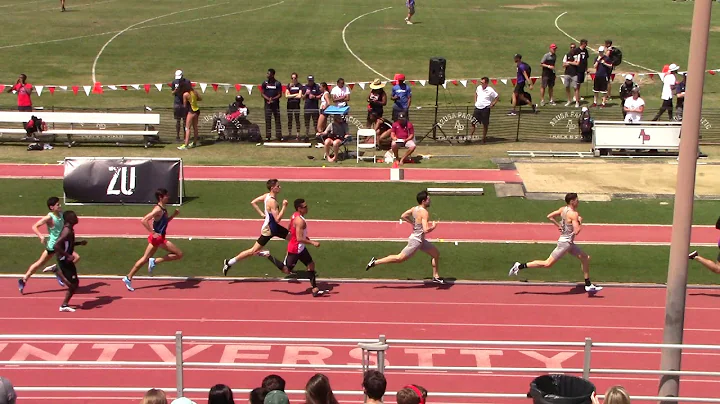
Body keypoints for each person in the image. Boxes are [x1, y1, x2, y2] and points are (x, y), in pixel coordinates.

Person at [508, 193, 602, 294]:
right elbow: (577, 231)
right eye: (576, 200)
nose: (578, 202)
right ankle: (519, 266)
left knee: (585, 258)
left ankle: (588, 284)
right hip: (565, 244)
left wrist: (558, 225)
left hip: (568, 242)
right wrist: (579, 221)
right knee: (547, 264)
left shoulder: (563, 209)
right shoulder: (574, 214)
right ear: (572, 201)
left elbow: (550, 216)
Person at [366, 190, 443, 284]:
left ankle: (436, 276)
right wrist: (433, 227)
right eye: (428, 199)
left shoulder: (414, 209)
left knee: (436, 254)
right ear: (423, 201)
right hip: (416, 241)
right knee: (399, 258)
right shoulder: (424, 213)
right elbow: (426, 229)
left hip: (421, 240)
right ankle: (375, 262)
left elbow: (403, 215)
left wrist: (412, 222)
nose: (430, 201)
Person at [222, 179, 290, 275]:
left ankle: (286, 264)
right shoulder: (272, 202)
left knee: (294, 239)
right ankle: (229, 262)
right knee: (253, 251)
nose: (280, 187)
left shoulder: (267, 196)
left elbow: (253, 202)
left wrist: (262, 214)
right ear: (272, 188)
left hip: (275, 227)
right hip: (269, 230)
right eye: (278, 186)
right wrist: (284, 206)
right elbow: (277, 219)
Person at [263, 199, 326, 297]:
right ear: (299, 209)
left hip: (301, 248)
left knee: (311, 264)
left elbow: (289, 228)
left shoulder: (294, 215)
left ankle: (314, 288)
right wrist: (312, 242)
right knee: (286, 270)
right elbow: (300, 238)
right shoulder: (300, 221)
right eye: (304, 207)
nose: (307, 208)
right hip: (295, 249)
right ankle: (268, 255)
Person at [123, 188, 183, 292]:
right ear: (161, 197)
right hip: (158, 238)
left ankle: (128, 277)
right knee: (179, 254)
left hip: (159, 238)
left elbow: (164, 222)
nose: (168, 197)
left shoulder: (163, 208)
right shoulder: (158, 210)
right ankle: (154, 261)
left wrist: (173, 215)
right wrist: (153, 232)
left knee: (144, 259)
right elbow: (144, 220)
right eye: (166, 196)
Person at [19, 196, 74, 294]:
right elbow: (35, 226)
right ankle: (24, 280)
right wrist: (41, 236)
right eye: (58, 204)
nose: (60, 205)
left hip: (61, 245)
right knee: (40, 263)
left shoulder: (61, 214)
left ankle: (57, 272)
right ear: (51, 207)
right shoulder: (49, 217)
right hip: (54, 246)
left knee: (73, 258)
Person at [46, 211, 87, 312]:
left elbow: (68, 243)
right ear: (69, 219)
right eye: (74, 217)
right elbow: (56, 245)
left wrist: (79, 243)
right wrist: (68, 255)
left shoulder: (70, 230)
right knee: (73, 285)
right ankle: (56, 270)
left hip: (66, 259)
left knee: (75, 284)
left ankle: (64, 305)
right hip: (64, 260)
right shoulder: (67, 231)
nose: (77, 218)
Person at [470, 76, 499, 143]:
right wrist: (475, 101)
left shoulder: (490, 90)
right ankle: (470, 137)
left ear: (486, 83)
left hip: (485, 108)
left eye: (482, 83)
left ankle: (483, 139)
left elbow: (497, 96)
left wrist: (493, 104)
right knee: (473, 123)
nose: (481, 84)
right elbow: (476, 93)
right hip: (477, 107)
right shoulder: (479, 88)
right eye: (481, 82)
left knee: (485, 124)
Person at [178, 81, 202, 150]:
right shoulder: (194, 92)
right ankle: (194, 143)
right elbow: (200, 99)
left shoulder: (185, 94)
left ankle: (186, 145)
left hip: (191, 111)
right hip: (197, 110)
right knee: (195, 127)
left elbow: (185, 105)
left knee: (187, 128)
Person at [261, 68, 283, 141]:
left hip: (275, 105)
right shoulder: (265, 83)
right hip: (267, 105)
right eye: (267, 73)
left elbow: (280, 94)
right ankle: (268, 136)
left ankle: (279, 136)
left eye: (269, 74)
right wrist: (268, 99)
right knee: (268, 120)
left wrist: (273, 99)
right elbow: (262, 93)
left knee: (277, 120)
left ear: (273, 74)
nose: (267, 75)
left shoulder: (277, 83)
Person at [172, 70, 189, 142]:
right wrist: (176, 90)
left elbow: (189, 91)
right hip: (177, 103)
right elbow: (172, 93)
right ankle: (177, 136)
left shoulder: (187, 82)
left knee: (185, 121)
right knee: (178, 121)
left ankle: (185, 136)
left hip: (185, 103)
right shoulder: (174, 82)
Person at [285, 72, 303, 140]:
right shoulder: (289, 85)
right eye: (292, 78)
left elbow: (300, 96)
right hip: (289, 104)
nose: (293, 79)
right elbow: (286, 96)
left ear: (297, 78)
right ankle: (290, 134)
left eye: (295, 78)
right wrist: (295, 94)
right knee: (290, 119)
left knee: (297, 119)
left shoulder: (299, 85)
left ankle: (298, 134)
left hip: (296, 104)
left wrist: (291, 95)